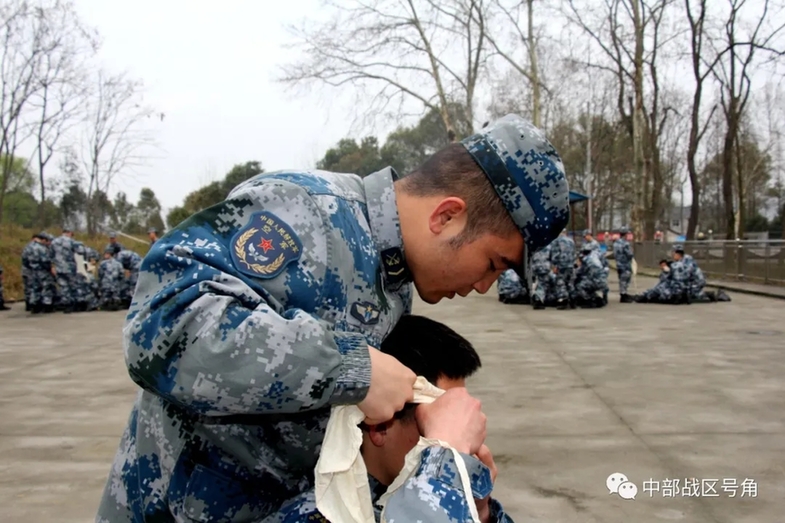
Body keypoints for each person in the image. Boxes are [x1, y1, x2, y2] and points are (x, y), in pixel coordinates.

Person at [96, 114, 570, 522]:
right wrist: (350, 369)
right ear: (446, 216)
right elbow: (162, 326)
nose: (485, 286)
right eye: (493, 263)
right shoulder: (305, 213)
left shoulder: (395, 281)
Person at [274, 314, 514, 523]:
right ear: (380, 428)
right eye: (441, 423)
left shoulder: (442, 497)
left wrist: (480, 513)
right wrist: (446, 457)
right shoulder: (322, 514)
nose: (465, 444)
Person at [50, 227, 83, 313]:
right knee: (73, 285)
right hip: (69, 267)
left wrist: (53, 266)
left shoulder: (54, 242)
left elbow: (50, 255)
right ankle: (74, 304)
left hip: (58, 267)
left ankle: (66, 305)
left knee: (63, 286)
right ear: (70, 233)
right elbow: (80, 252)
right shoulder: (71, 241)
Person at [28, 232, 56, 314]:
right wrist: (50, 268)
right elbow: (45, 261)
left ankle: (34, 306)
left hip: (33, 270)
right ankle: (47, 305)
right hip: (43, 270)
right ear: (43, 240)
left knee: (35, 288)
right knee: (46, 287)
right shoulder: (41, 248)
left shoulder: (30, 247)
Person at [549, 229, 576, 308]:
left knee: (561, 282)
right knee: (570, 283)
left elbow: (555, 254)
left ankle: (563, 300)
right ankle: (573, 300)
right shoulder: (571, 241)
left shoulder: (556, 241)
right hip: (570, 265)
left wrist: (554, 266)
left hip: (561, 265)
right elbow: (574, 253)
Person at [612, 226, 635, 303]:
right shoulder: (625, 244)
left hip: (619, 264)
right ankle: (623, 295)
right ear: (625, 234)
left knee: (621, 279)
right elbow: (629, 254)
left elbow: (614, 254)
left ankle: (623, 294)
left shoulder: (615, 243)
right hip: (625, 264)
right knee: (625, 280)